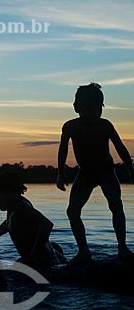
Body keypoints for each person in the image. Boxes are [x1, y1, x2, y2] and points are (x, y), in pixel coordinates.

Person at [57, 82, 134, 264]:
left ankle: (122, 247)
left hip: (106, 172)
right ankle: (84, 251)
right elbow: (62, 150)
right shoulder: (70, 127)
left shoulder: (105, 125)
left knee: (116, 206)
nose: (94, 113)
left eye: (98, 108)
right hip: (85, 174)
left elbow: (120, 148)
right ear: (77, 108)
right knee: (72, 211)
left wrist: (131, 169)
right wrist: (60, 173)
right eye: (89, 108)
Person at [0, 173, 66, 268]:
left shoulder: (21, 207)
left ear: (10, 193)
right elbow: (8, 224)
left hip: (43, 264)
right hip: (43, 259)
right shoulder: (13, 208)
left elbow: (47, 224)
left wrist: (33, 255)